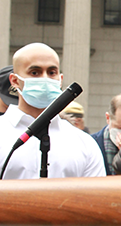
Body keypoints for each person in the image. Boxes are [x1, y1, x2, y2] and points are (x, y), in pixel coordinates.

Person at [0, 43, 105, 179]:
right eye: (35, 72)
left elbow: (95, 196)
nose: (45, 78)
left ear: (60, 80)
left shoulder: (84, 143)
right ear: (14, 81)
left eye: (51, 72)